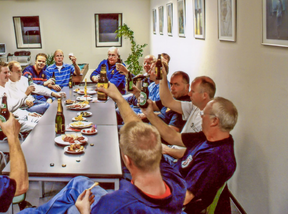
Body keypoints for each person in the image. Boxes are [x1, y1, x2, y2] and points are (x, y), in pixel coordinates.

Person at [98, 83, 237, 213]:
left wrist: (143, 193)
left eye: (203, 114)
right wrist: (150, 114)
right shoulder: (208, 137)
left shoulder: (215, 158)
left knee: (87, 185)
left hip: (164, 196)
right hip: (168, 175)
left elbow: (183, 198)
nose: (201, 117)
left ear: (214, 121)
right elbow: (173, 137)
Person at [20, 121, 186, 214]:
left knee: (76, 197)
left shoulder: (114, 205)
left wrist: (84, 211)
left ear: (127, 161)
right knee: (79, 183)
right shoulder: (177, 183)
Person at [0, 61, 40, 133]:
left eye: (8, 72)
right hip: (9, 125)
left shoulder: (5, 88)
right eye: (5, 73)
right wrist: (26, 94)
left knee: (42, 120)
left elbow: (14, 109)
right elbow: (10, 108)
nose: (8, 75)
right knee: (40, 127)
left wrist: (28, 114)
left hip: (17, 118)